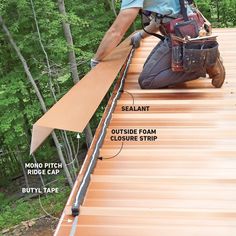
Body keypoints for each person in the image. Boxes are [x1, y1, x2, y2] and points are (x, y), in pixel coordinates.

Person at [91, 0, 225, 89]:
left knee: (147, 81)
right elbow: (161, 19)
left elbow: (116, 32)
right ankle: (202, 58)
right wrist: (141, 35)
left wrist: (96, 60)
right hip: (187, 28)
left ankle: (204, 63)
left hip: (183, 35)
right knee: (148, 68)